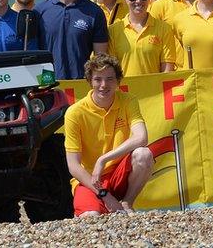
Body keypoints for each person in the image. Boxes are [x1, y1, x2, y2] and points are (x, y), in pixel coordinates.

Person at [64, 54, 154, 216]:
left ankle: (127, 202)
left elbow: (142, 138)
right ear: (90, 81)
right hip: (90, 181)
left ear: (118, 81)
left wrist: (102, 159)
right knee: (90, 218)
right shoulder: (74, 113)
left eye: (110, 79)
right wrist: (105, 195)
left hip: (119, 175)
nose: (104, 85)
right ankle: (106, 206)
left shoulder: (128, 100)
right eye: (98, 79)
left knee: (144, 154)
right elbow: (74, 166)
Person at [35, 0, 109, 79]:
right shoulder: (39, 11)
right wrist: (40, 83)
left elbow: (100, 60)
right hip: (47, 85)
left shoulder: (95, 12)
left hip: (80, 86)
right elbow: (34, 56)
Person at [108, 0, 177, 75]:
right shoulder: (113, 30)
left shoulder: (164, 29)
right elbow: (111, 70)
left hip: (154, 90)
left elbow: (167, 71)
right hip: (122, 90)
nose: (138, 1)